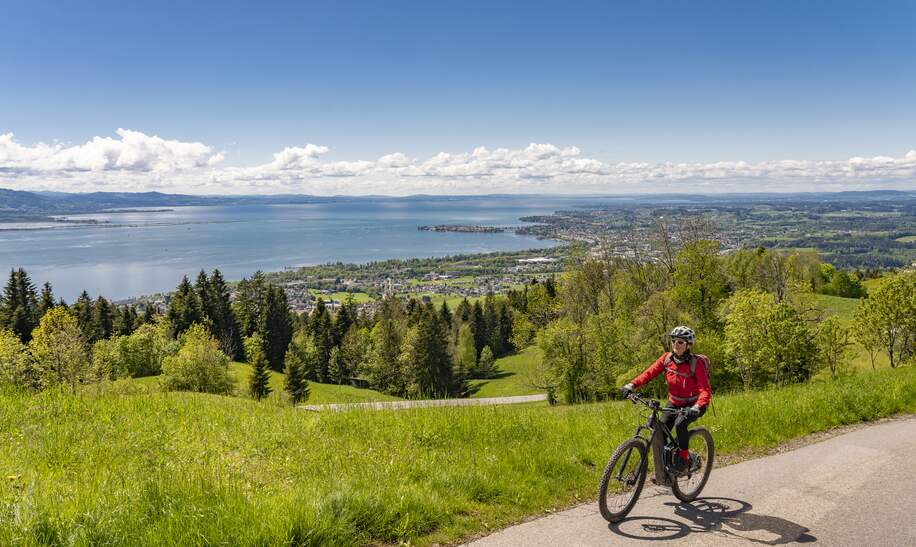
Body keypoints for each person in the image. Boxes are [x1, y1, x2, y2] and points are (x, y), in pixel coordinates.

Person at [620, 325, 711, 474]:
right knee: (660, 432)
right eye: (674, 341)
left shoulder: (696, 363)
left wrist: (696, 407)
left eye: (680, 342)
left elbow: (705, 389)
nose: (676, 344)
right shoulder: (667, 358)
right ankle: (666, 468)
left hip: (693, 404)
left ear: (688, 345)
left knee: (680, 424)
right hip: (674, 402)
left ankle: (684, 459)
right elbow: (649, 373)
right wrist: (631, 385)